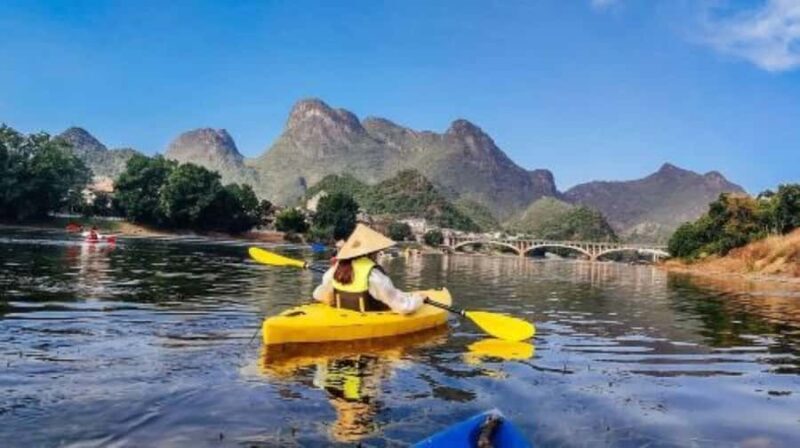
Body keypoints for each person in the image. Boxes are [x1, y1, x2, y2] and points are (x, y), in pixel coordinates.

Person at [313, 224, 424, 314]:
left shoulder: (336, 269)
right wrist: (419, 299)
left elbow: (317, 294)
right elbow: (404, 308)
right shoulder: (373, 274)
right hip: (370, 320)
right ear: (370, 252)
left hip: (345, 316)